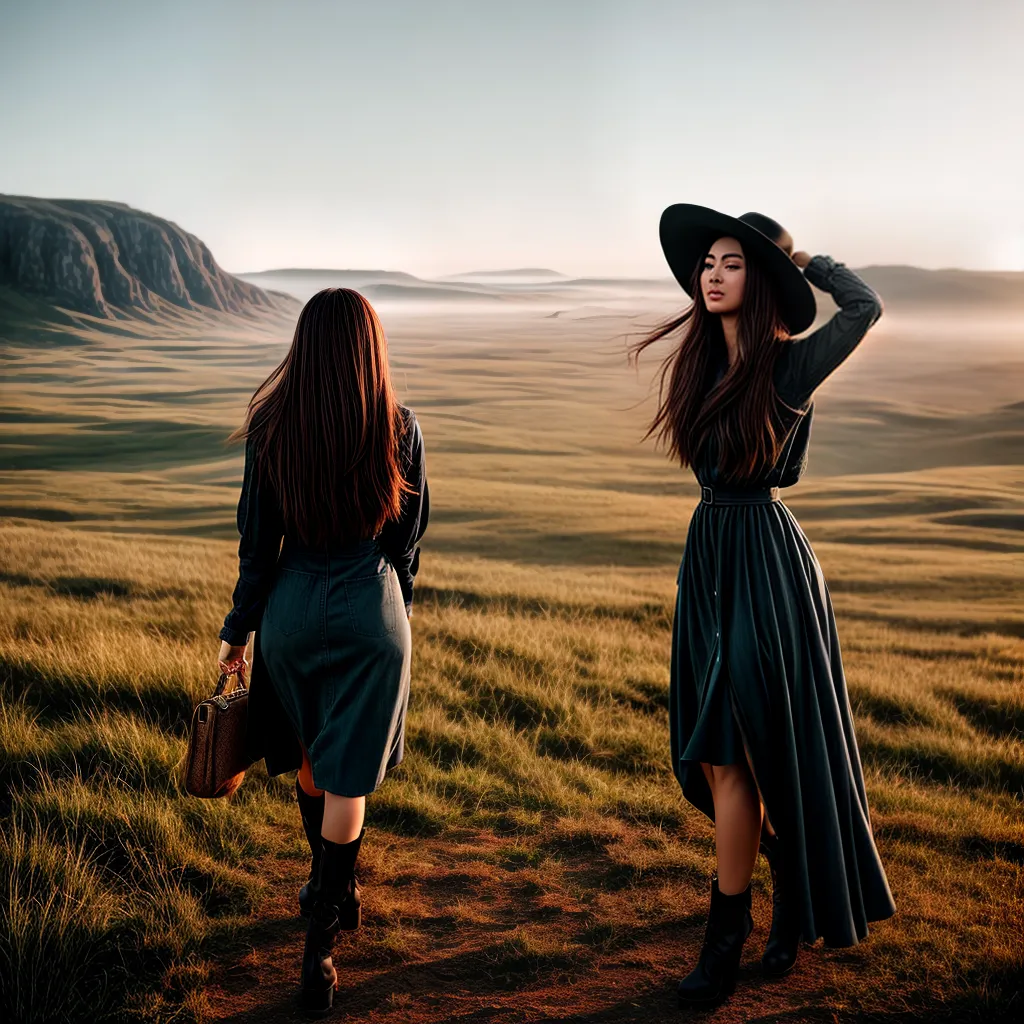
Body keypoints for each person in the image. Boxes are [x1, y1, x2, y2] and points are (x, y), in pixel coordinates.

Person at [630, 206, 895, 1009]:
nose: (712, 274)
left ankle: (724, 941)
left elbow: (865, 308)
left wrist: (804, 258)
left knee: (739, 741)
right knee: (716, 753)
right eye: (707, 262)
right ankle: (778, 880)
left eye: (733, 263)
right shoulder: (700, 364)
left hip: (768, 565)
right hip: (709, 553)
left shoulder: (789, 366)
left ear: (763, 281)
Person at [217, 287, 429, 1017]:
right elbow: (406, 545)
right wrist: (391, 611)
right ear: (372, 347)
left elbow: (256, 544)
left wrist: (237, 631)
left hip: (293, 608)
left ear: (303, 344)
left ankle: (328, 887)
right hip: (373, 607)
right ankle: (322, 948)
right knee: (348, 780)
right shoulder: (401, 426)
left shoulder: (271, 425)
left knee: (313, 763)